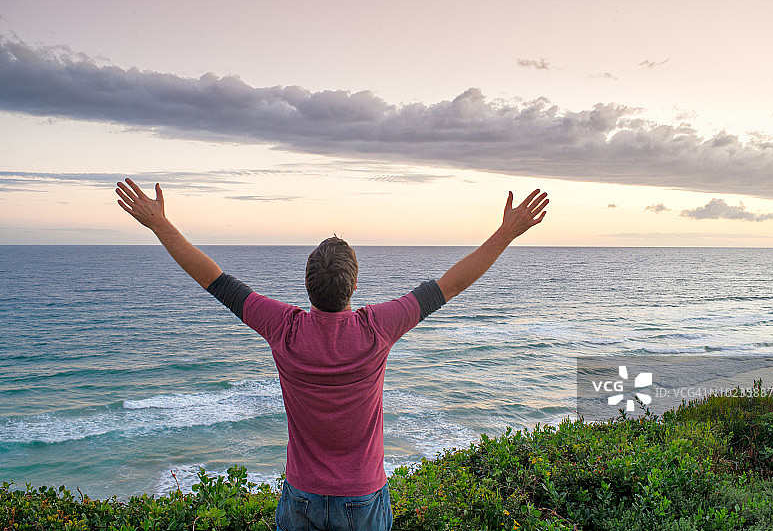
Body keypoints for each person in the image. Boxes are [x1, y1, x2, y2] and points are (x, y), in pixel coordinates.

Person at [115, 177, 548, 531]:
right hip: (361, 497)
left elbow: (214, 281)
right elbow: (451, 284)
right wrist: (507, 233)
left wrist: (160, 225)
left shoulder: (282, 327)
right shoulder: (377, 327)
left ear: (307, 286)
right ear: (354, 285)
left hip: (302, 496)